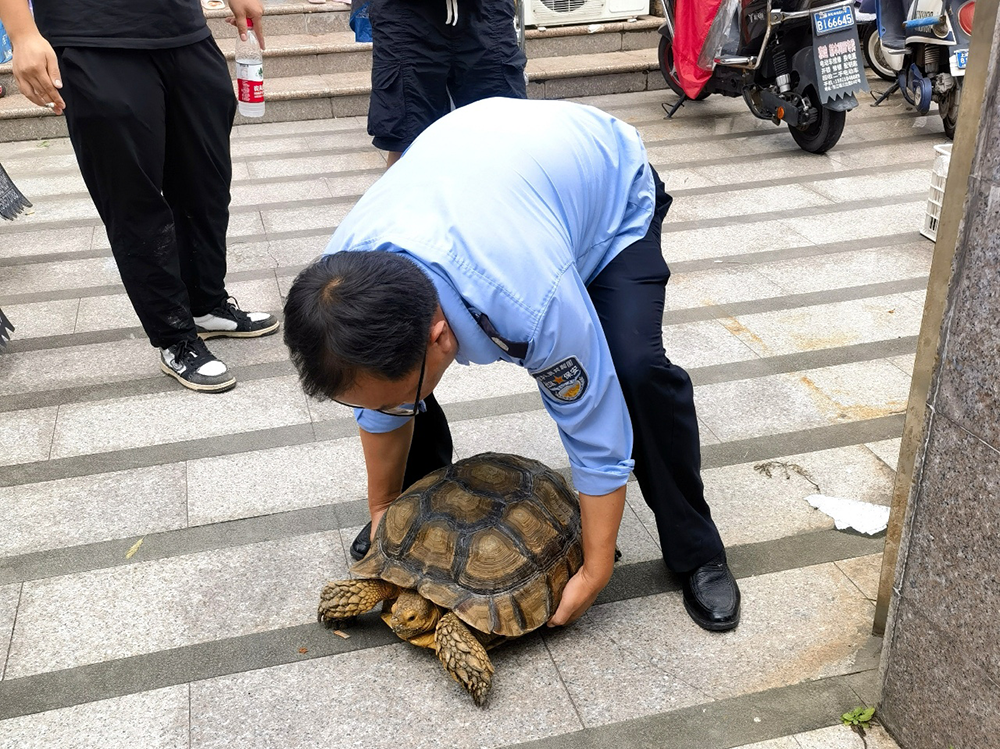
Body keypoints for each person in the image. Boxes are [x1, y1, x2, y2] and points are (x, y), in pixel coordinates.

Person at [282, 97, 741, 631]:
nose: (380, 414)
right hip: (496, 169)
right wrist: (385, 512)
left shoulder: (529, 299)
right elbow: (376, 399)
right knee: (399, 394)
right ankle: (417, 514)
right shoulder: (342, 284)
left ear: (440, 337)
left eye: (388, 406)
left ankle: (697, 549)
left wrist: (594, 568)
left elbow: (595, 430)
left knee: (635, 370)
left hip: (607, 193)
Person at [0, 0, 278, 393]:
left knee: (207, 185)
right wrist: (22, 32)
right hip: (92, 37)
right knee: (135, 202)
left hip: (183, 30)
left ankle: (205, 304)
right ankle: (175, 337)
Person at [366, 0, 527, 167]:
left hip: (485, 11)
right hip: (404, 15)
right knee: (407, 131)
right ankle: (406, 191)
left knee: (502, 124)